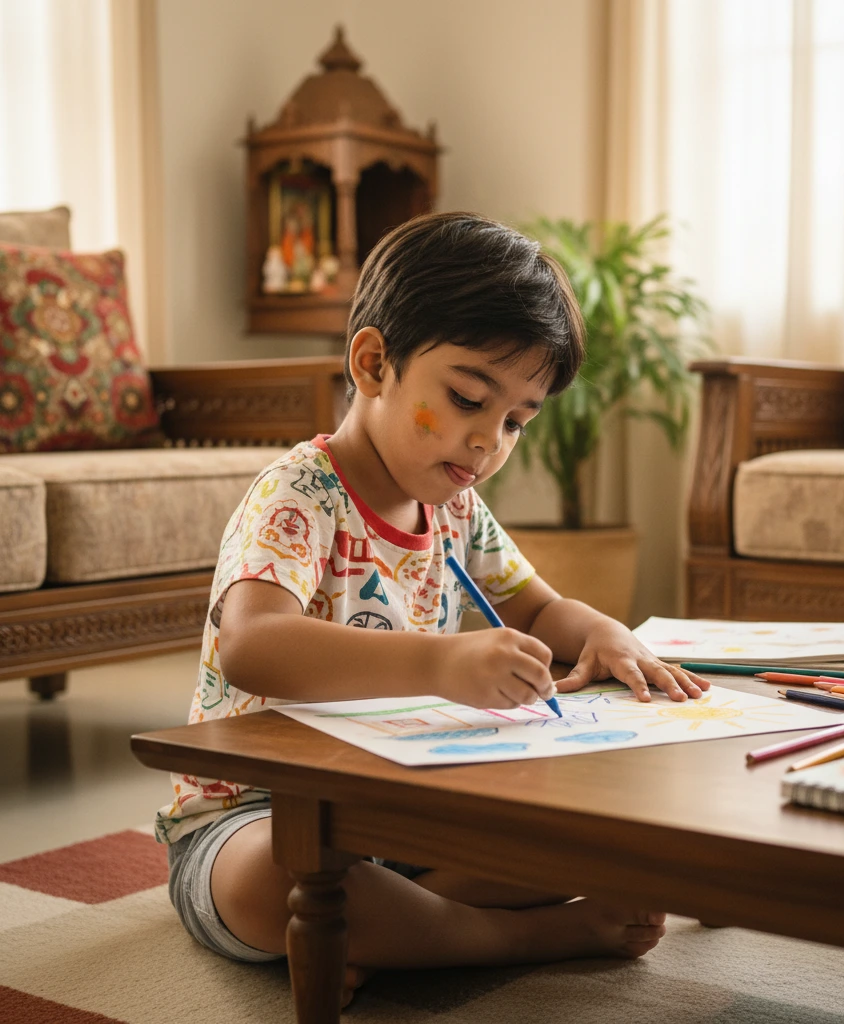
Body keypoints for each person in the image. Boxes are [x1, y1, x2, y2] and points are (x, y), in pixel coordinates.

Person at [156, 212, 709, 1005]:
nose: (489, 442)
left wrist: (607, 635)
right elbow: (252, 645)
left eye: (517, 420)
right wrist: (442, 662)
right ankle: (527, 938)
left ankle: (402, 938)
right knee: (287, 878)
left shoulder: (453, 506)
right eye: (466, 399)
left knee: (563, 834)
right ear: (375, 362)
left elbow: (544, 608)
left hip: (400, 816)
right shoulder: (298, 496)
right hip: (253, 819)